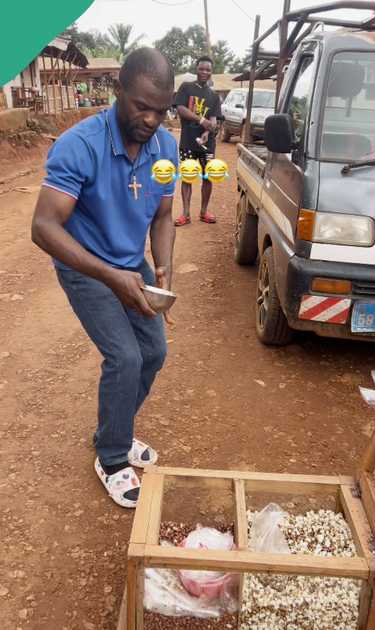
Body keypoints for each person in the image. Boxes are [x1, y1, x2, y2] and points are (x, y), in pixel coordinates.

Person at [30, 47, 179, 509]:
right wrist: (111, 277)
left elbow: (164, 213)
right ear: (119, 91)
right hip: (85, 266)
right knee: (125, 358)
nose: (151, 119)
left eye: (160, 109)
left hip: (130, 265)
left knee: (154, 350)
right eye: (141, 106)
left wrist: (162, 267)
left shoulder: (165, 147)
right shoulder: (80, 144)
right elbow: (43, 228)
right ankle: (112, 458)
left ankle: (115, 430)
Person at [173, 56, 222, 226]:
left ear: (211, 72)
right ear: (196, 69)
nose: (204, 72)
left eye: (208, 69)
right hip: (188, 141)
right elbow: (180, 109)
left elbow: (214, 120)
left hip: (207, 144)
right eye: (202, 68)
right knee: (187, 176)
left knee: (207, 177)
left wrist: (209, 131)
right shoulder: (186, 88)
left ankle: (203, 212)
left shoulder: (214, 96)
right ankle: (185, 214)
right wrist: (202, 121)